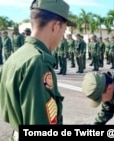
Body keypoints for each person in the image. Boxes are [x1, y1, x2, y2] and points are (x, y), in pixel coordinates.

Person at [0, 0, 74, 140]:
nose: (61, 38)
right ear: (56, 26)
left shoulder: (15, 57)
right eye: (63, 31)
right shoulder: (38, 62)